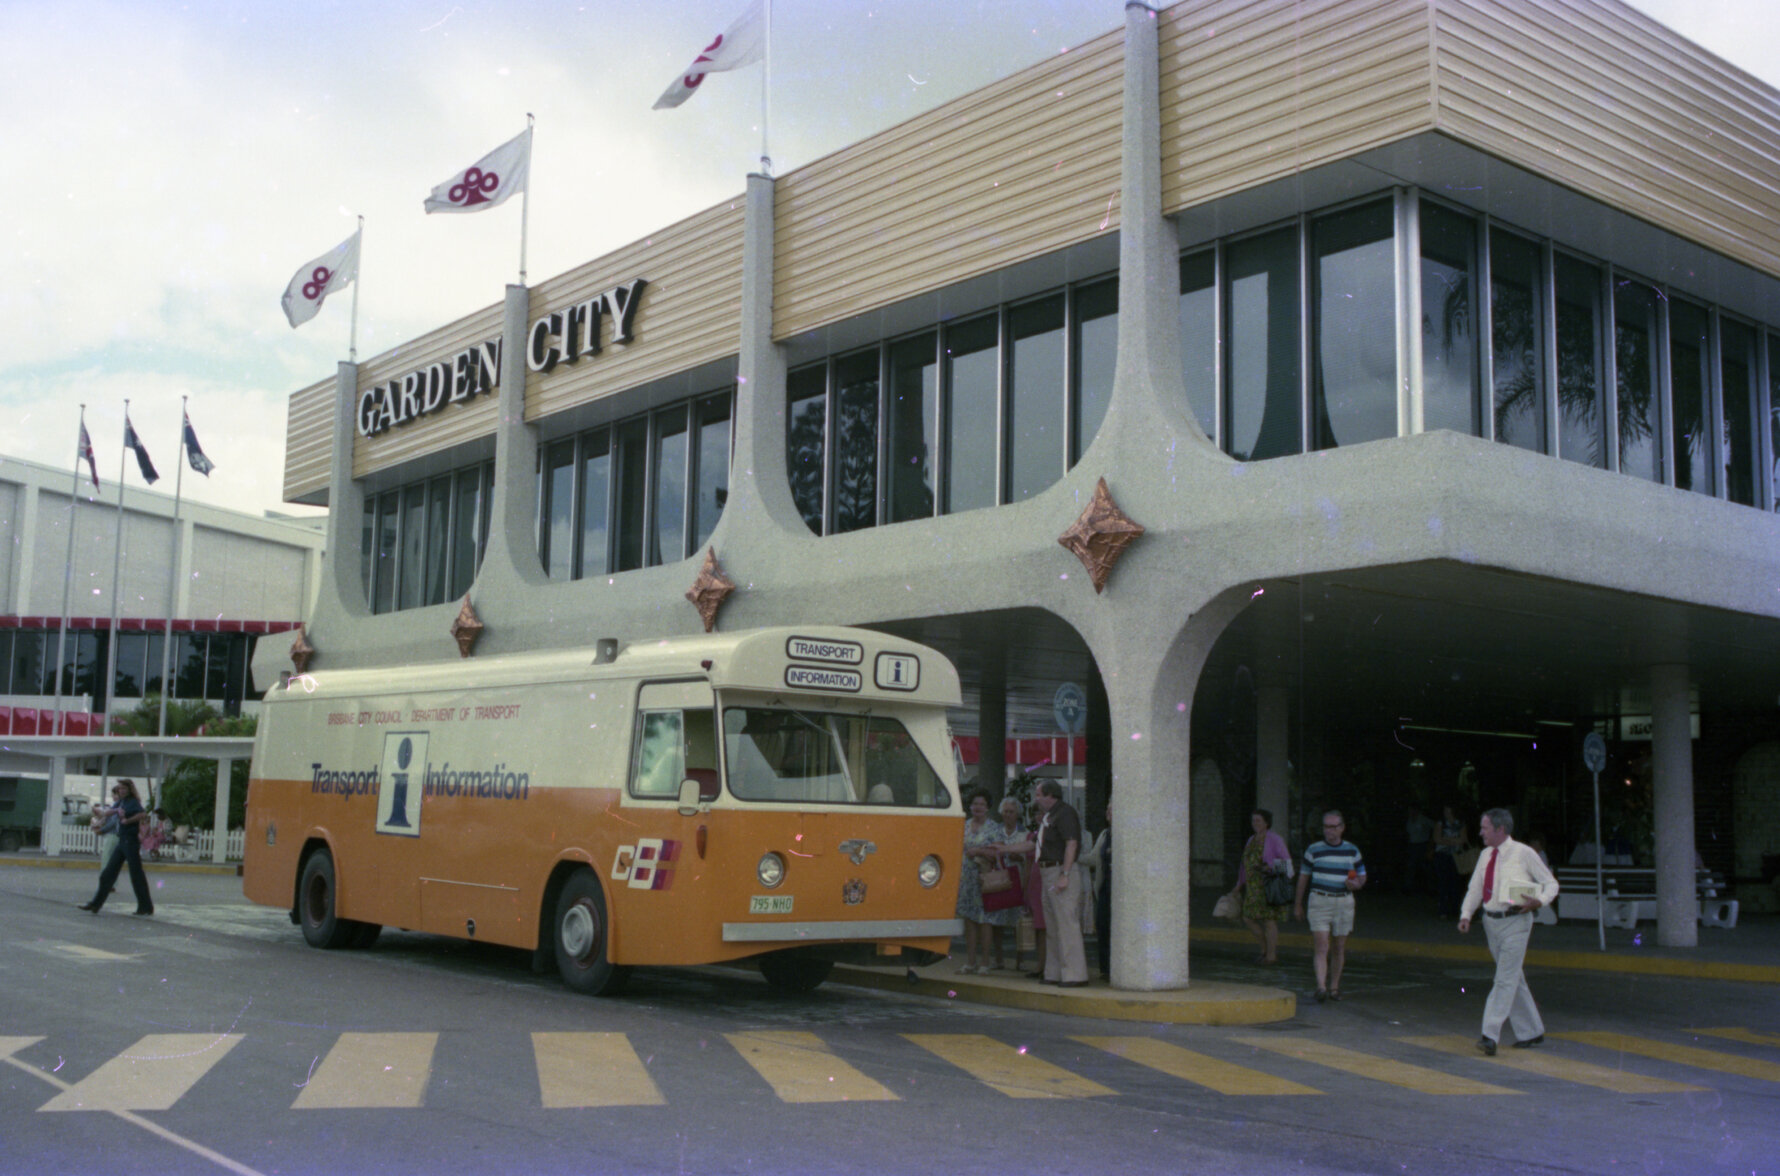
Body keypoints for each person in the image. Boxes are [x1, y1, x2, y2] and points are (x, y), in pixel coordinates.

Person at [1459, 807, 1559, 1055]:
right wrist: (1466, 914)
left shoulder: (1524, 853)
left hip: (1516, 923)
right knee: (1514, 977)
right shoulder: (1485, 855)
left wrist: (1541, 901)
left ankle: (1489, 1034)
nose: (1481, 833)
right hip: (1492, 923)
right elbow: (1475, 888)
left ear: (1500, 829)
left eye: (1485, 828)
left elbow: (1551, 883)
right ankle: (1532, 1031)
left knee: (1504, 979)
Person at [1295, 809, 1365, 1003]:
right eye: (1326, 827)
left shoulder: (1352, 850)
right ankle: (1321, 986)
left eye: (1333, 827)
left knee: (1339, 946)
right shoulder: (1314, 849)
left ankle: (1334, 987)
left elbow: (1362, 876)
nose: (1329, 831)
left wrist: (1356, 884)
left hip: (1343, 900)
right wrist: (1298, 903)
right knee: (1321, 945)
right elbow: (1303, 877)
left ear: (1342, 828)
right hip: (1320, 899)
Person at [1031, 780, 1088, 987]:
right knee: (1053, 926)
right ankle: (1054, 972)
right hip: (1048, 870)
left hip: (1060, 870)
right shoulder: (1049, 816)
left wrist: (1065, 873)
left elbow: (1071, 843)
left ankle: (1075, 974)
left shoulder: (1065, 813)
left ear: (1050, 795)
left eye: (1038, 795)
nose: (1036, 798)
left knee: (1066, 924)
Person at [78, 779, 155, 916]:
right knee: (108, 873)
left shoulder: (132, 801)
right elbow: (112, 811)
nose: (121, 791)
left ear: (129, 789)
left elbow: (142, 814)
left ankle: (146, 907)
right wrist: (100, 813)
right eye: (119, 789)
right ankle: (95, 904)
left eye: (124, 788)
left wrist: (127, 820)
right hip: (122, 841)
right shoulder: (122, 801)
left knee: (136, 874)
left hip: (130, 841)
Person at [1227, 808, 1291, 965]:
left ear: (1266, 823)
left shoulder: (1275, 839)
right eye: (1253, 821)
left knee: (1269, 921)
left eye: (1258, 821)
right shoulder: (1251, 840)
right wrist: (1238, 885)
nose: (1255, 824)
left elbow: (1287, 864)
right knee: (1248, 918)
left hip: (1269, 885)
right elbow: (1244, 865)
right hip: (1253, 887)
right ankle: (1264, 949)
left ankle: (1271, 955)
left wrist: (1269, 868)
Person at [954, 790, 1002, 974]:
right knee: (969, 920)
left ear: (988, 807)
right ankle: (970, 961)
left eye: (981, 804)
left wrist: (979, 851)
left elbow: (998, 852)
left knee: (985, 920)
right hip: (966, 879)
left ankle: (984, 962)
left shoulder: (993, 827)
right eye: (975, 804)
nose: (978, 807)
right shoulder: (964, 826)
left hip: (985, 878)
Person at [985, 796, 1028, 970]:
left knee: (1019, 922)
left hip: (1018, 880)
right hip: (1000, 880)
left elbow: (1030, 857)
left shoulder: (1025, 834)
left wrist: (1020, 857)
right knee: (998, 922)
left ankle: (1020, 961)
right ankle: (999, 959)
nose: (1008, 815)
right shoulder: (995, 832)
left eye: (1011, 812)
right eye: (1006, 812)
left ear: (1018, 814)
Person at [1079, 798, 1113, 980]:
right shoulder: (1105, 834)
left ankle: (1117, 968)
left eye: (1112, 810)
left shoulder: (1127, 834)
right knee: (1103, 926)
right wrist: (1072, 856)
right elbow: (1093, 858)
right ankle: (1105, 969)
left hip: (1121, 891)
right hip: (1104, 887)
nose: (1108, 813)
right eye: (1107, 809)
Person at [1433, 804, 1469, 919]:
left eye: (1448, 811)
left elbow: (1462, 840)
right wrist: (1453, 841)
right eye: (1445, 811)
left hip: (1456, 857)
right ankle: (1443, 909)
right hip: (1442, 855)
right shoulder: (1440, 823)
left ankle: (1454, 910)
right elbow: (1437, 839)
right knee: (1443, 882)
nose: (1446, 813)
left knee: (1456, 883)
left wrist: (1446, 840)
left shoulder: (1460, 824)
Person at [1402, 804, 1435, 896]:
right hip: (1412, 846)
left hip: (1423, 845)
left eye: (1411, 810)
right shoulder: (1409, 820)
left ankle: (1431, 888)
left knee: (1426, 867)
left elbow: (1435, 826)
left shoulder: (1424, 819)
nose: (1410, 812)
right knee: (1410, 867)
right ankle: (1408, 888)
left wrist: (1431, 841)